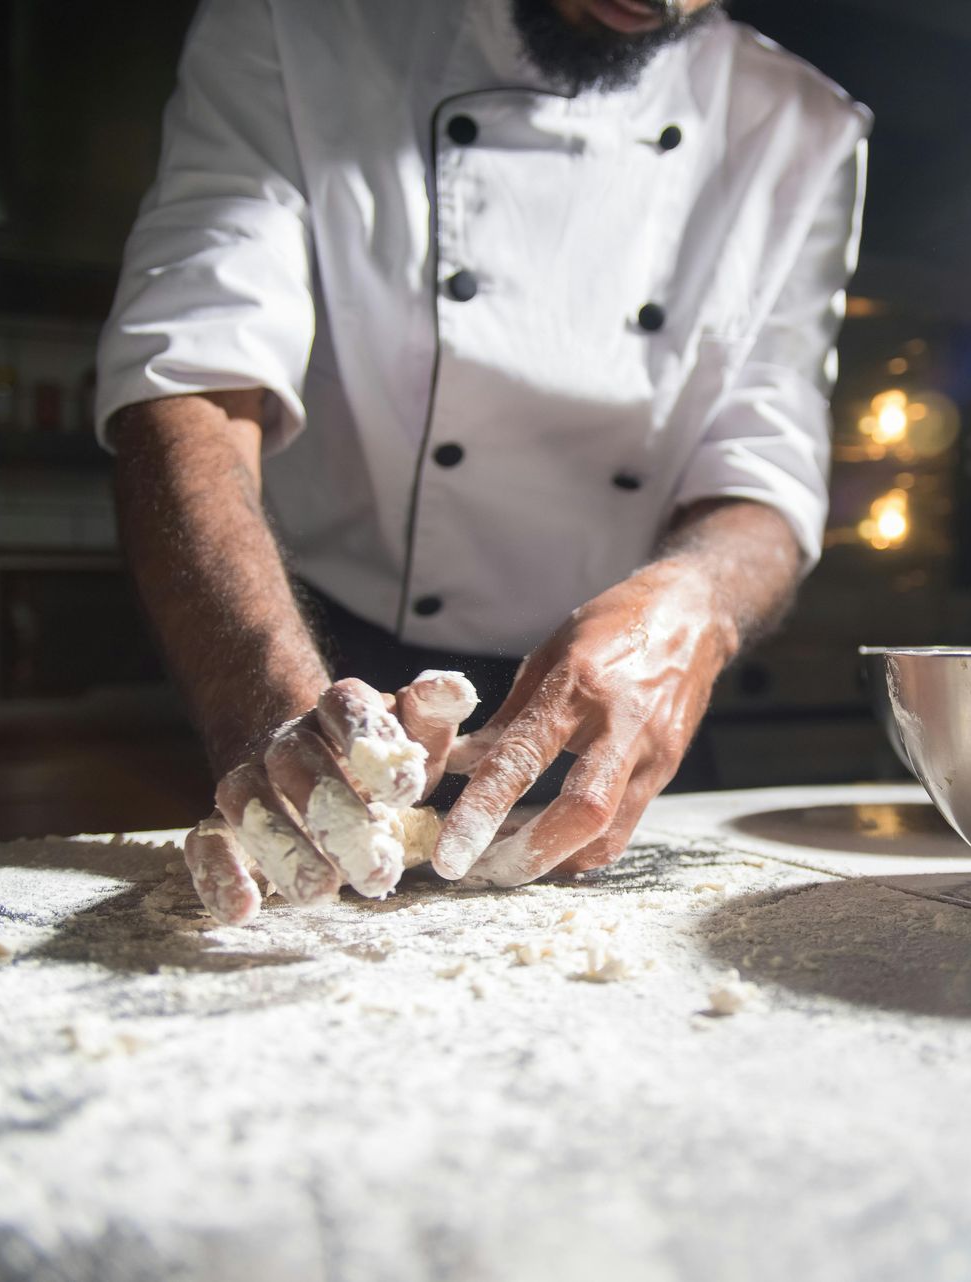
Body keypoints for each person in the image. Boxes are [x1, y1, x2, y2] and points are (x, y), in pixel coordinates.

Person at [97, 0, 870, 921]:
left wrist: (696, 606)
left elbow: (765, 467)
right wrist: (269, 706)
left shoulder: (801, 126)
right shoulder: (294, 28)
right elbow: (192, 378)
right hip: (320, 659)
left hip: (617, 701)